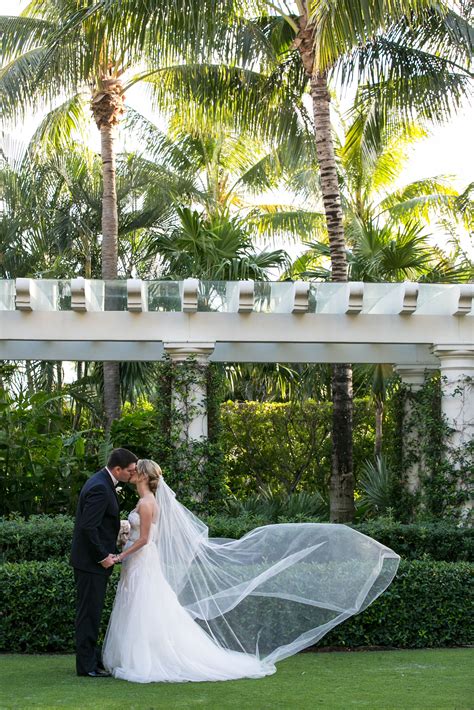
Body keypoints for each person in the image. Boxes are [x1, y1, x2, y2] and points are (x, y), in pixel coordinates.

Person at [103, 459, 401, 684]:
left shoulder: (146, 502)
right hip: (140, 561)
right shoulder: (147, 501)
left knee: (144, 607)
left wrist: (119, 554)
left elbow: (144, 540)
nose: (131, 474)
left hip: (141, 559)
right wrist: (124, 537)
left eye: (134, 470)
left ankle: (145, 658)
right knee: (142, 607)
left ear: (142, 475)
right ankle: (139, 655)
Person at [70, 447, 138, 677]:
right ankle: (86, 667)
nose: (132, 475)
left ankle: (91, 660)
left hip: (91, 562)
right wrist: (103, 556)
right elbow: (88, 527)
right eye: (129, 471)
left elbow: (98, 524)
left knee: (92, 612)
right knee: (89, 613)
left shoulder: (102, 482)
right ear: (117, 469)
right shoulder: (100, 487)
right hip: (91, 563)